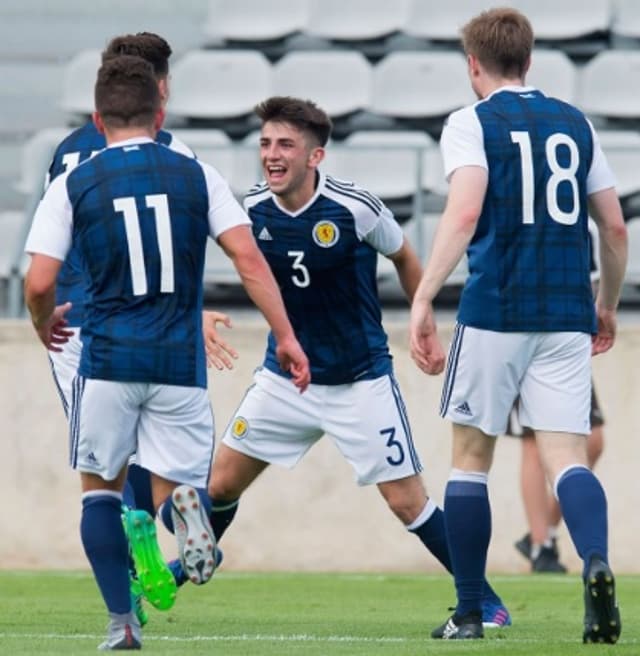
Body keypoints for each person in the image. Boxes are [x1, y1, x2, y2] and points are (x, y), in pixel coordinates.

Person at [24, 56, 309, 650]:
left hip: (107, 357)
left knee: (101, 490)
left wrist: (42, 320)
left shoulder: (74, 180)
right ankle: (185, 506)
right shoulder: (194, 172)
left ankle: (122, 624)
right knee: (172, 479)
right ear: (161, 112)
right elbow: (249, 261)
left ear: (98, 119)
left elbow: (38, 280)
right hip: (179, 360)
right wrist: (284, 336)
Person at [205, 95, 511, 629]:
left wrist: (424, 323)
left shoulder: (355, 207)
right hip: (287, 381)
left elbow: (405, 256)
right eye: (265, 144)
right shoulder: (251, 208)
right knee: (220, 485)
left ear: (315, 157)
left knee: (407, 504)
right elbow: (228, 261)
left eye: (285, 145)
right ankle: (190, 565)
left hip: (359, 380)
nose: (272, 155)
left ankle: (484, 601)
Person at [409, 7, 627, 642]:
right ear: (529, 61)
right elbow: (613, 227)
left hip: (497, 308)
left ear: (472, 65)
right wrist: (605, 303)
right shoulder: (575, 122)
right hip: (565, 311)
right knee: (567, 456)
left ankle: (470, 612)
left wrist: (424, 296)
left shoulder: (470, 121)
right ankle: (593, 562)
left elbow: (466, 208)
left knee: (470, 463)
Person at [43, 32, 238, 624]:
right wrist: (193, 310)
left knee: (104, 465)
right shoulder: (171, 154)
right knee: (156, 453)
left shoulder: (70, 152)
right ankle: (158, 545)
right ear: (161, 90)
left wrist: (41, 319)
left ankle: (127, 589)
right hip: (150, 322)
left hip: (75, 325)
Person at [511, 223, 606, 574]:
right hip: (519, 333)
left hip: (563, 340)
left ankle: (544, 531)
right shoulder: (517, 215)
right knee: (534, 443)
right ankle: (541, 545)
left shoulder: (585, 225)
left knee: (591, 441)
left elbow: (594, 282)